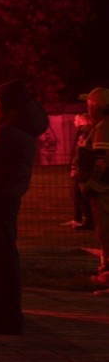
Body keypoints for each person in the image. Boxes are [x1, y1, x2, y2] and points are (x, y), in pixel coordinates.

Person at [0, 79, 51, 334]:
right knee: (3, 254)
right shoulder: (20, 129)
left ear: (6, 104)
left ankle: (3, 315)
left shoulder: (6, 134)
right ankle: (5, 312)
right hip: (7, 197)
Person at [78, 88, 109, 289]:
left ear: (97, 106)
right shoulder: (100, 125)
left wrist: (93, 185)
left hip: (103, 191)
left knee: (106, 231)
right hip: (102, 189)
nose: (87, 108)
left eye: (89, 104)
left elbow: (103, 160)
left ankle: (107, 273)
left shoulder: (104, 127)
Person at [66, 112, 94, 230]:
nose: (74, 122)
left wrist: (75, 167)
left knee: (79, 195)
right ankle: (79, 219)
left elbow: (80, 152)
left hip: (82, 169)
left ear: (83, 120)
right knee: (77, 194)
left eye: (76, 120)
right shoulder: (85, 131)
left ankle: (88, 220)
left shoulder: (85, 132)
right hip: (80, 167)